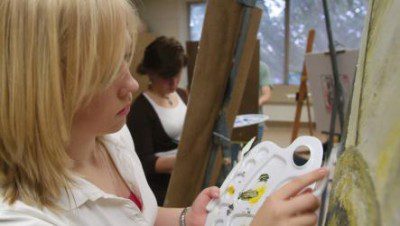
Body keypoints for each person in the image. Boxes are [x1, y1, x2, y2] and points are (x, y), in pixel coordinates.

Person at [0, 0, 327, 225]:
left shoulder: (113, 133)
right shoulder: (23, 215)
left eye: (126, 60)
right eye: (106, 70)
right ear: (46, 85)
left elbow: (142, 215)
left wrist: (186, 217)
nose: (131, 83)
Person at [127, 36, 188, 205]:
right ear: (151, 73)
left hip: (187, 180)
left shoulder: (182, 95)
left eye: (177, 76)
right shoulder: (140, 110)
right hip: (163, 191)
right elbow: (144, 162)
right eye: (167, 78)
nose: (174, 84)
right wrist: (183, 161)